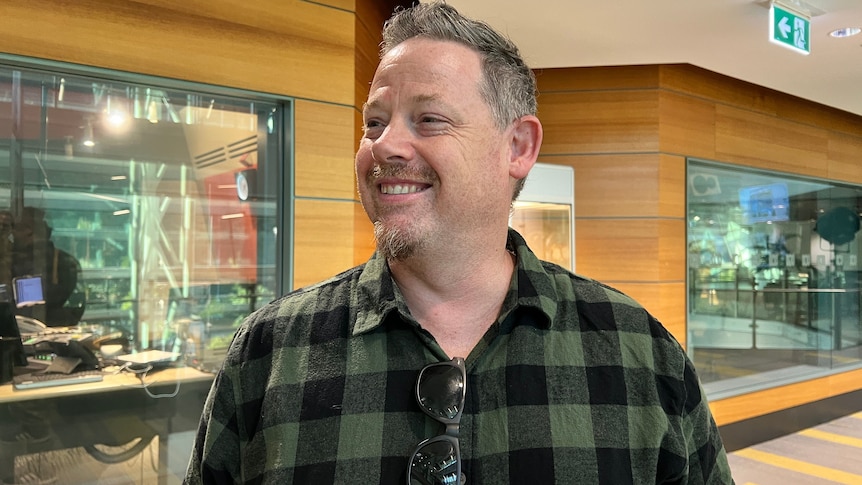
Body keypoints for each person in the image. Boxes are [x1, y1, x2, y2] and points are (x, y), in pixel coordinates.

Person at [185, 2, 734, 484]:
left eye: (429, 119)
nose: (385, 145)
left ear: (517, 146)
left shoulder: (637, 351)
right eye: (373, 123)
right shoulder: (268, 353)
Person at [11, 207, 84, 327]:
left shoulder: (65, 262)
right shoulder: (67, 261)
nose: (12, 233)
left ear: (30, 231)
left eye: (17, 228)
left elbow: (75, 307)